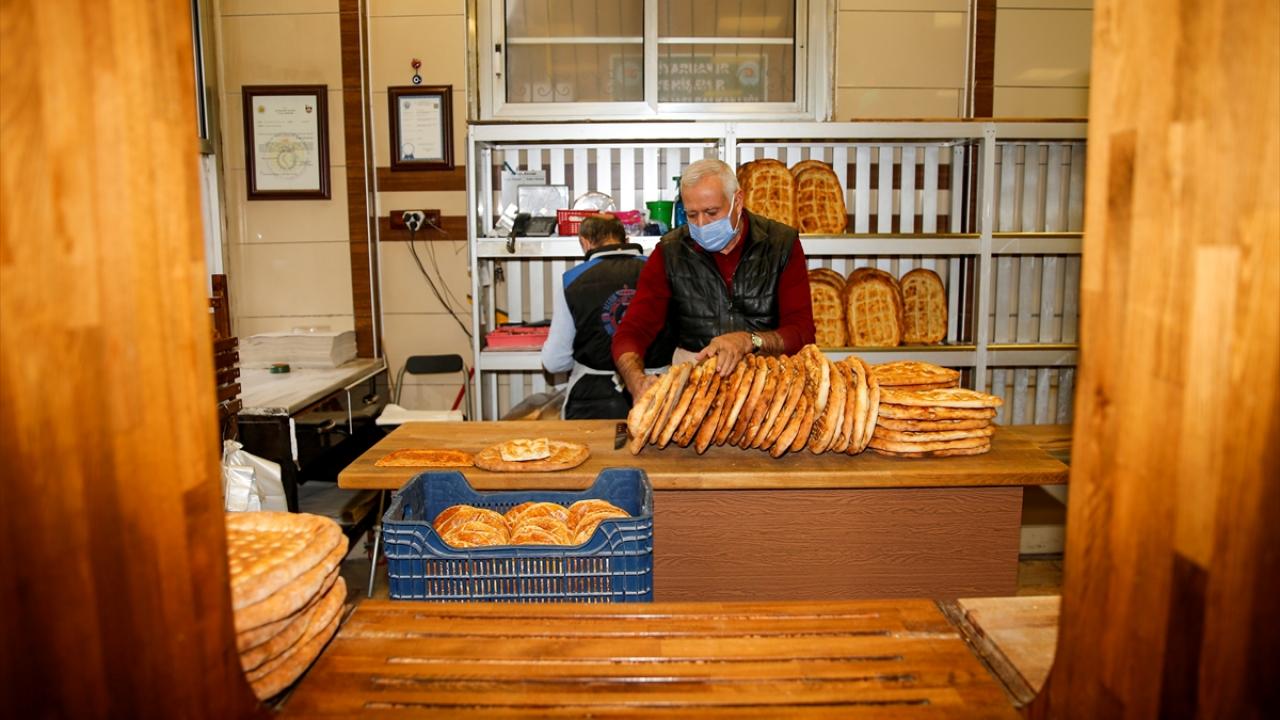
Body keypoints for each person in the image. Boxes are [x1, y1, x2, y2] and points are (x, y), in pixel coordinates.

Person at [611, 158, 816, 400]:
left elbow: (802, 332)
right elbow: (633, 330)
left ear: (737, 201)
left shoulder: (781, 245)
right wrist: (635, 380)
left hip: (771, 392)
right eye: (692, 215)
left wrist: (750, 340)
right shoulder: (670, 253)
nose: (701, 224)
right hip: (695, 393)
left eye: (711, 212)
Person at [542, 214, 674, 419]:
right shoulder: (661, 272)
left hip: (591, 401)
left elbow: (554, 361)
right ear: (626, 240)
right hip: (658, 394)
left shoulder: (572, 280)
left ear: (585, 243)